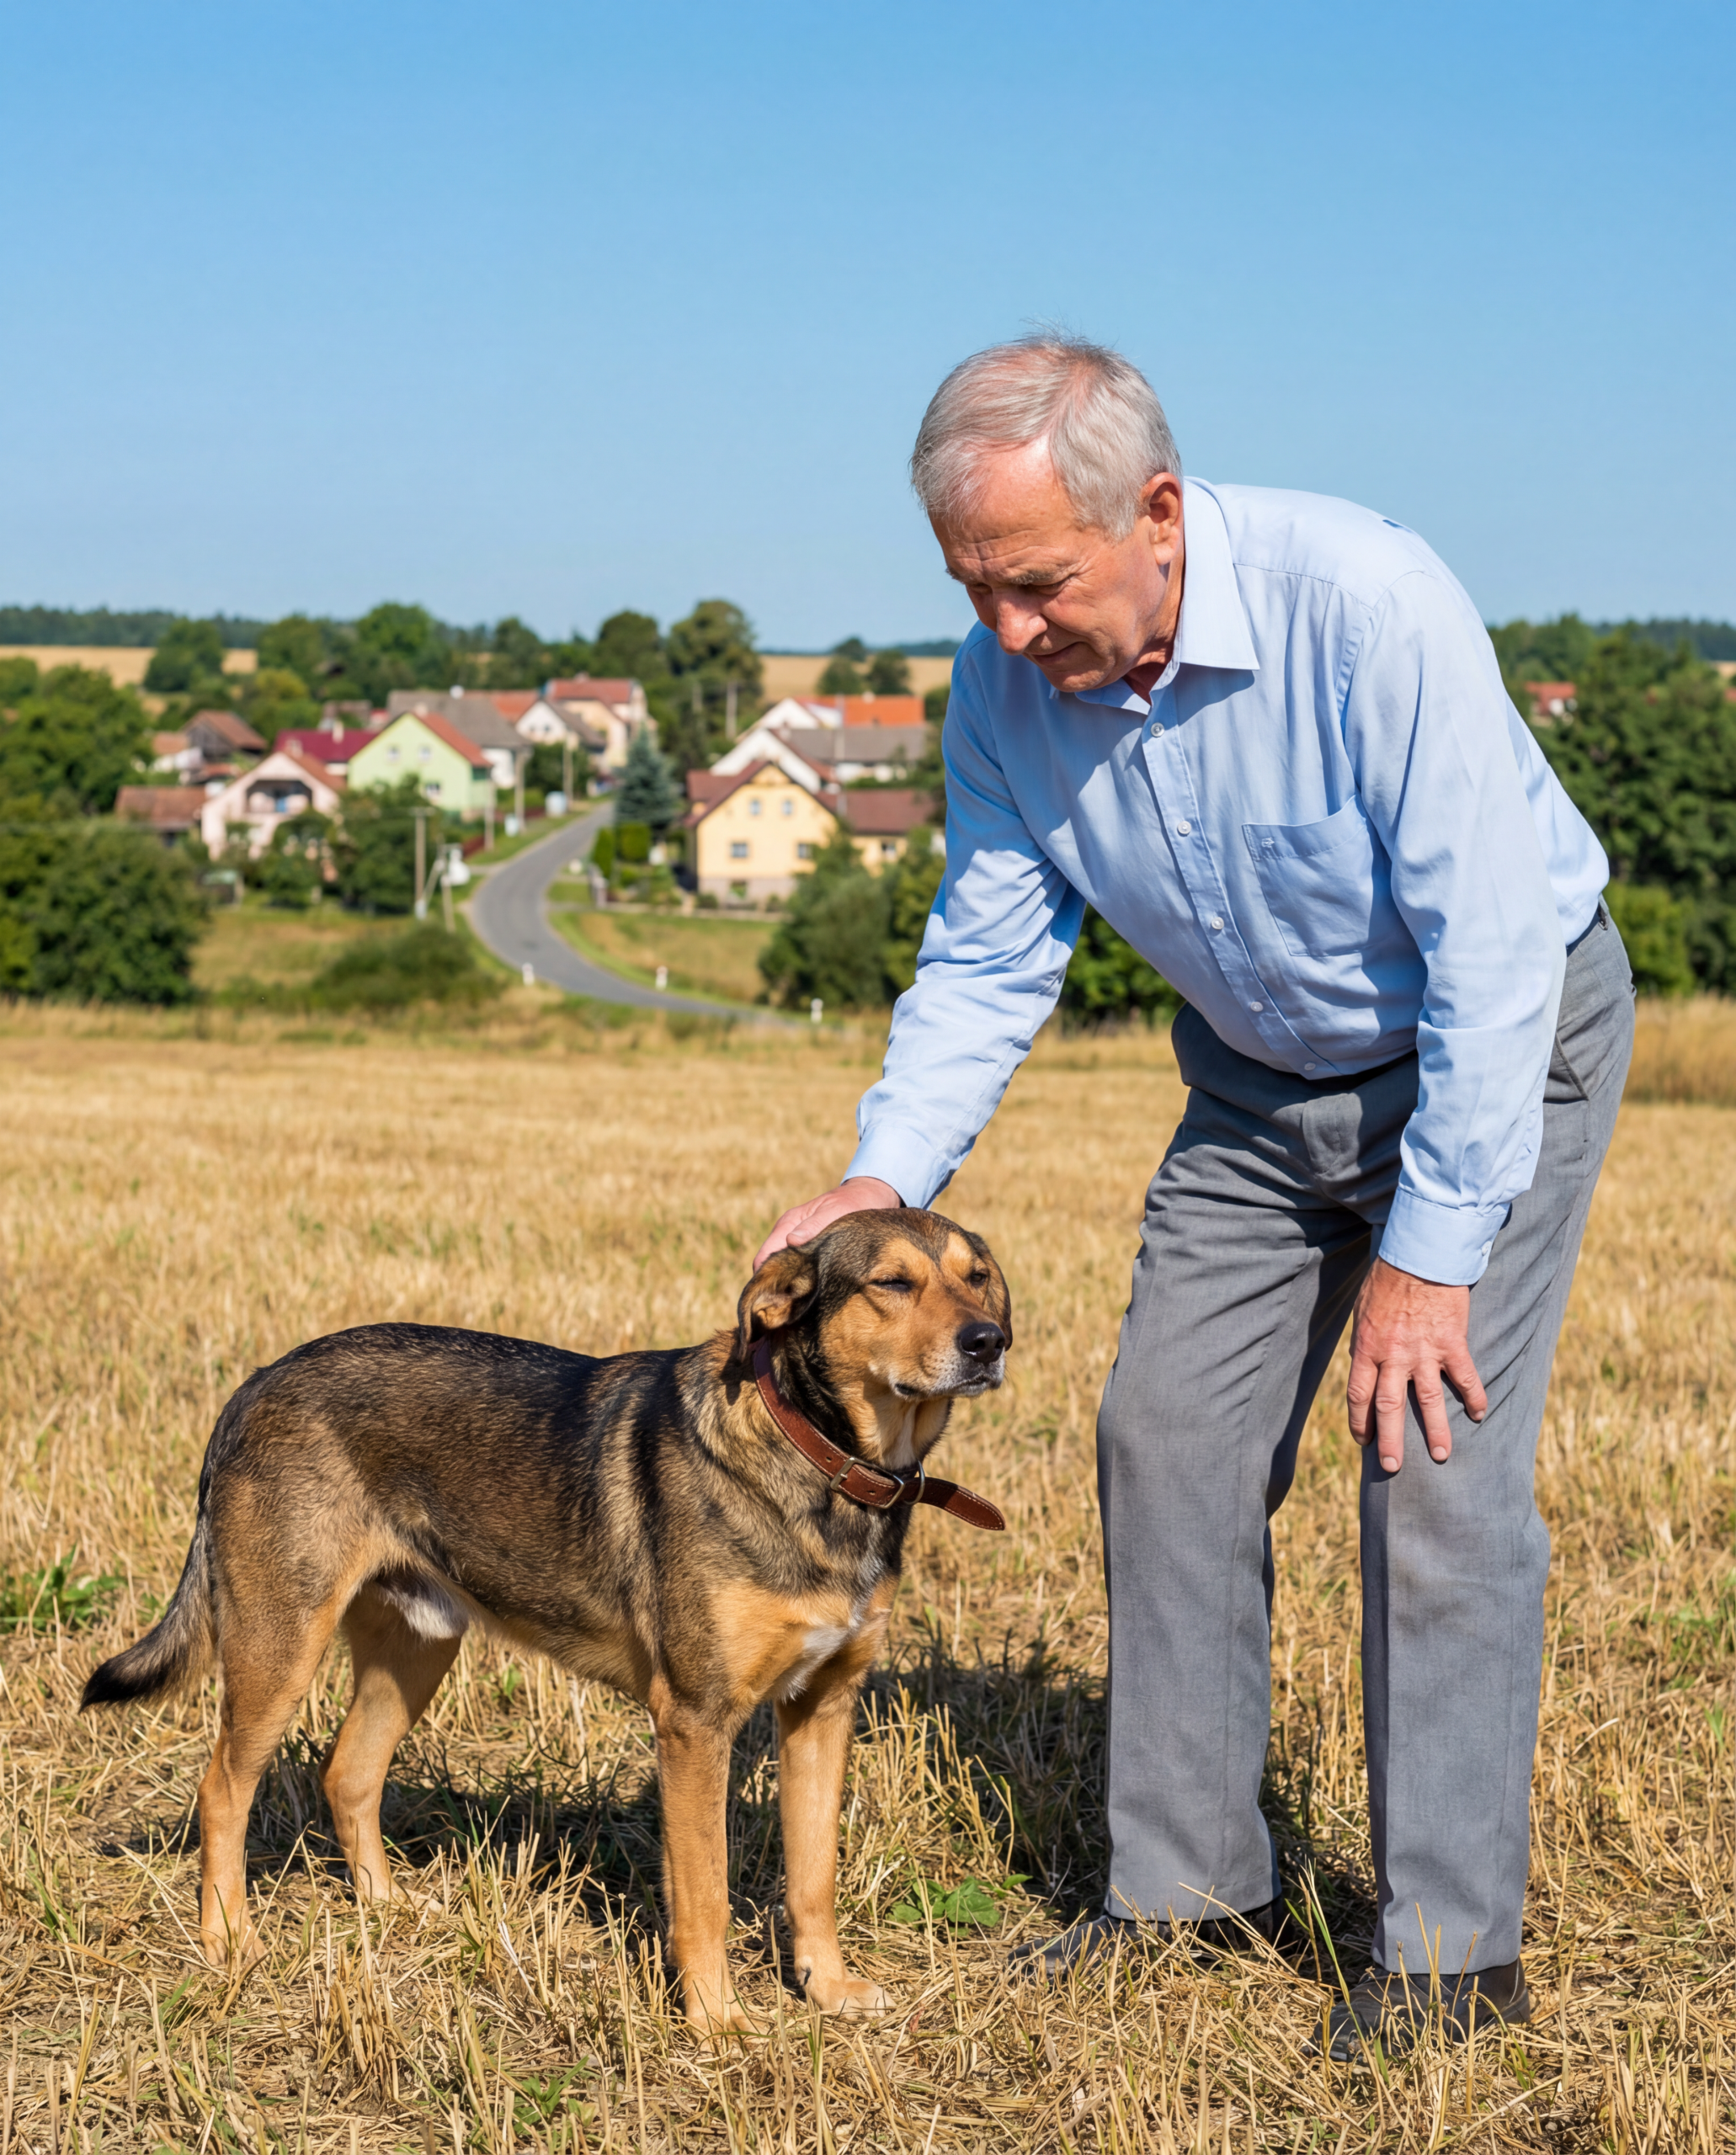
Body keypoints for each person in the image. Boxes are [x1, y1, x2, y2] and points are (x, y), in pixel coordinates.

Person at [755, 335, 1632, 2059]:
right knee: (1163, 1433)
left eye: (1032, 582)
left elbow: (1486, 951)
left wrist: (1426, 1259)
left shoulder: (1365, 606)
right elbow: (988, 959)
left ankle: (1450, 1954)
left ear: (1154, 513)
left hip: (1493, 1042)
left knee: (1427, 1459)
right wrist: (883, 1168)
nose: (1002, 630)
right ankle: (1185, 1887)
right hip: (1252, 1084)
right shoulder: (1001, 686)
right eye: (968, 586)